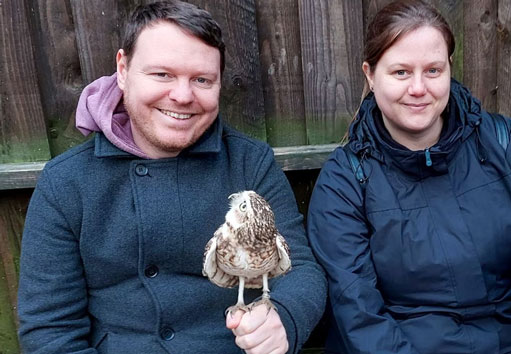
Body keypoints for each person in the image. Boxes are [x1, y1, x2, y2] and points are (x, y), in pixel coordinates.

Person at [17, 1, 326, 353]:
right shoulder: (66, 183)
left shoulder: (250, 163)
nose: (182, 96)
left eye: (201, 79)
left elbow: (299, 268)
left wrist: (284, 318)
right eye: (162, 74)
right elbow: (51, 330)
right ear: (123, 69)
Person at [306, 0, 511, 353]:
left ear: (449, 68)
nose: (418, 88)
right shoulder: (345, 181)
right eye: (400, 72)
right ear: (370, 74)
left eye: (432, 70)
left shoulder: (502, 142)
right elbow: (359, 314)